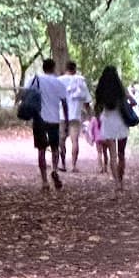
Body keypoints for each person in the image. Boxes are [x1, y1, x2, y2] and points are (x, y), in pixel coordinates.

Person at [29, 58, 69, 190]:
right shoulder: (58, 82)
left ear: (43, 67)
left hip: (39, 119)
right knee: (55, 148)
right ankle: (55, 170)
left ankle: (44, 181)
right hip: (54, 119)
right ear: (54, 68)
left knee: (41, 150)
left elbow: (26, 95)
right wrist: (67, 121)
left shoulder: (36, 80)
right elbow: (64, 103)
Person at [94, 64, 133, 192]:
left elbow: (97, 108)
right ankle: (121, 180)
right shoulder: (121, 89)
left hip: (108, 123)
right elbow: (133, 102)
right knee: (121, 154)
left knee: (113, 155)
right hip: (121, 123)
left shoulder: (101, 90)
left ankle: (116, 183)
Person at [61, 59, 92, 171]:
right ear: (75, 69)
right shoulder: (81, 81)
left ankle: (63, 164)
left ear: (66, 68)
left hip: (61, 115)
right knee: (75, 141)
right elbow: (87, 101)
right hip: (75, 115)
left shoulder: (59, 81)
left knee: (61, 140)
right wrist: (90, 116)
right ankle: (73, 165)